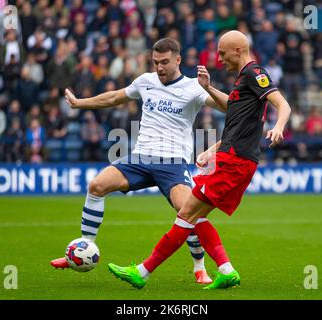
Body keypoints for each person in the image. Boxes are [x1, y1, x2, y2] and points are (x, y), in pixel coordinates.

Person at [108, 30, 291, 289]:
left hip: (235, 163)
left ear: (238, 50)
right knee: (192, 215)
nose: (218, 58)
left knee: (187, 214)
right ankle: (224, 269)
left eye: (222, 52)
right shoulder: (243, 80)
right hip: (232, 158)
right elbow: (240, 125)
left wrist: (279, 126)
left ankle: (143, 272)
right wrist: (213, 147)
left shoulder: (254, 73)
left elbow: (283, 104)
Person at [50, 38, 229, 284]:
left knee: (188, 211)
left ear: (178, 60)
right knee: (96, 186)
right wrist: (81, 103)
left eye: (165, 62)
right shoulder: (146, 81)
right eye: (156, 62)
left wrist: (208, 88)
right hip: (140, 158)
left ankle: (200, 267)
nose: (160, 67)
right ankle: (84, 248)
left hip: (172, 163)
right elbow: (114, 98)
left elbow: (230, 107)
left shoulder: (193, 87)